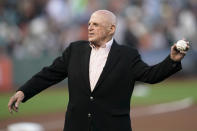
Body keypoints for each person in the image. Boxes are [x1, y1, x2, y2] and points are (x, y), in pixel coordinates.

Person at [8, 10, 189, 131]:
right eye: (89, 24)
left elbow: (151, 75)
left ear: (111, 29)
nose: (89, 27)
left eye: (95, 24)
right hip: (76, 127)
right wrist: (24, 91)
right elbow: (49, 74)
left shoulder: (127, 55)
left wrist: (171, 60)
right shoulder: (75, 50)